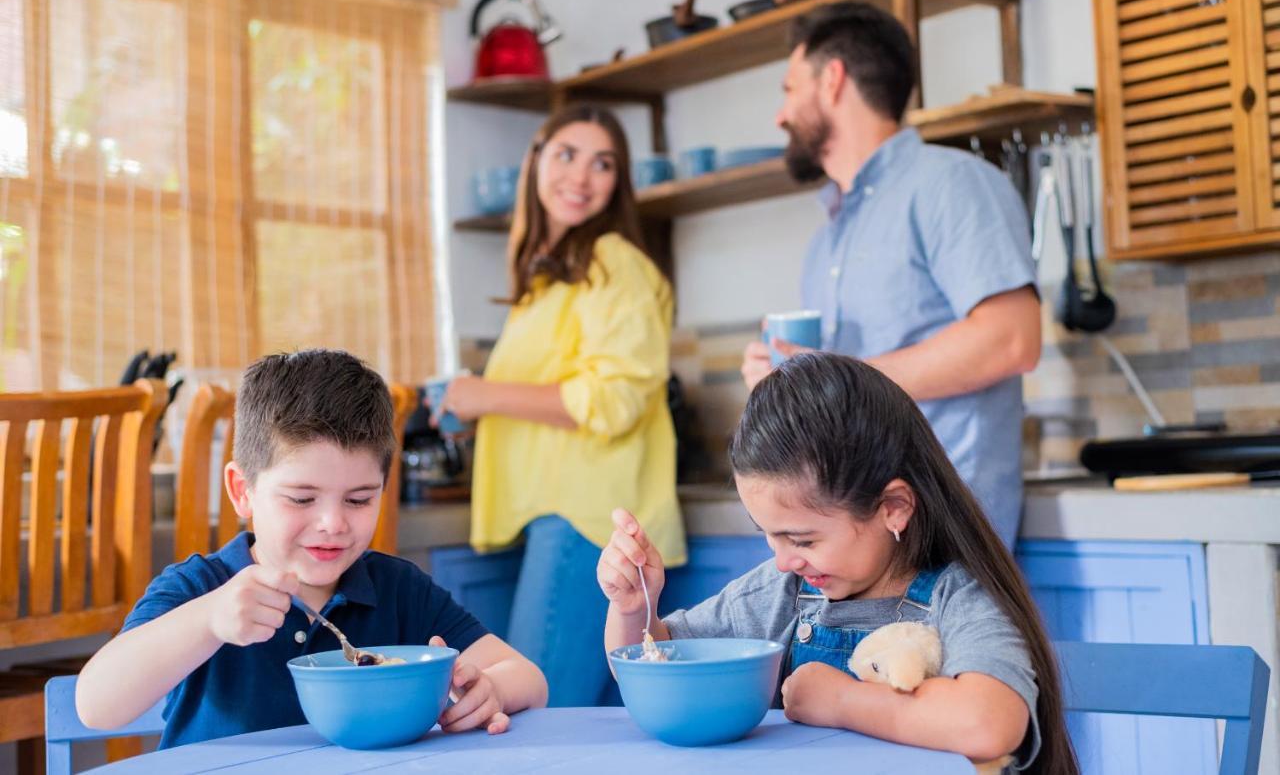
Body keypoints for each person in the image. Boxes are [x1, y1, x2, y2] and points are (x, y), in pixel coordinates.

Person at [599, 353, 1077, 775]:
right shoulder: (783, 594)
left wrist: (841, 701)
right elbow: (649, 666)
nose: (783, 561)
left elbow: (988, 724)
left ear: (894, 507)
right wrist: (633, 608)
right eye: (767, 534)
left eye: (802, 538)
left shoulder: (959, 597)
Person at [77, 349, 547, 747]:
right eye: (302, 498)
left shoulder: (397, 588)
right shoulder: (200, 589)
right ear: (242, 491)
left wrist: (491, 689)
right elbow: (97, 705)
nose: (333, 524)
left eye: (359, 499)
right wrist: (209, 621)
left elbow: (531, 679)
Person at [740, 3, 1041, 547]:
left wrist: (839, 381)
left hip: (944, 534)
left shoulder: (952, 184)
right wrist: (788, 385)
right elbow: (841, 406)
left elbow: (1012, 338)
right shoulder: (826, 239)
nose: (780, 116)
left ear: (832, 80)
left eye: (789, 89)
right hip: (855, 538)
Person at [435, 105, 685, 706]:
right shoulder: (548, 282)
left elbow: (614, 398)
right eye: (566, 155)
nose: (581, 176)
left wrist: (485, 395)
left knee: (535, 722)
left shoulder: (612, 263)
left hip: (590, 521)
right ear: (535, 163)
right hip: (562, 515)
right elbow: (560, 399)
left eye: (603, 163)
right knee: (565, 728)